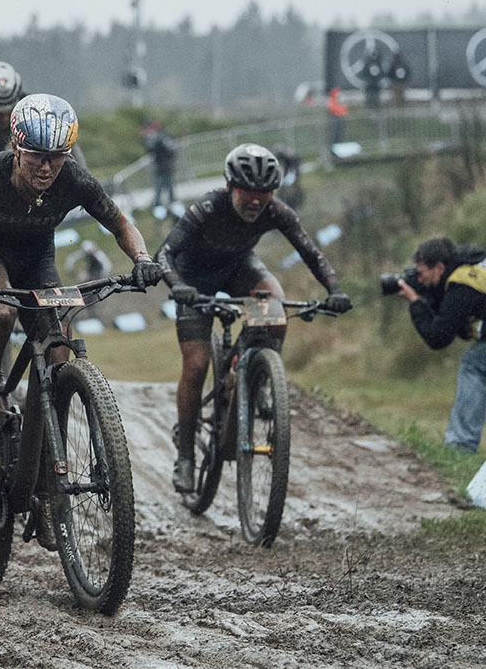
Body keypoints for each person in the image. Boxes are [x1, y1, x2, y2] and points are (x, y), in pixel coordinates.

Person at [0, 94, 163, 489]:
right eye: (37, 155)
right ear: (16, 147)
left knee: (58, 343)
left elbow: (121, 224)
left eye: (57, 157)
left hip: (37, 257)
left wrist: (142, 258)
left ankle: (46, 454)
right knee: (1, 314)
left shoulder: (74, 179)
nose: (47, 167)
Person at [157, 143, 352, 493]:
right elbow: (164, 253)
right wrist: (178, 287)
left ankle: (258, 372)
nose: (256, 201)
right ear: (231, 186)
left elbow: (311, 252)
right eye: (248, 192)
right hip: (194, 277)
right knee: (197, 364)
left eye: (265, 193)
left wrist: (334, 290)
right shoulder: (207, 207)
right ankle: (185, 455)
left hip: (238, 267)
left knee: (275, 306)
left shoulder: (276, 210)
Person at [395, 237, 486, 453]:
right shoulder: (470, 265)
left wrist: (415, 302)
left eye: (421, 272)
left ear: (439, 267)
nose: (420, 278)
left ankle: (460, 445)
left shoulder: (463, 281)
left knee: (473, 365)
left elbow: (438, 337)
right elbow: (455, 322)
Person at [141, 120, 177, 216]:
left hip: (165, 166)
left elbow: (170, 151)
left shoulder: (161, 137)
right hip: (160, 167)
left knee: (168, 186)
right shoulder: (156, 138)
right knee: (160, 187)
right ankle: (159, 205)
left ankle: (170, 204)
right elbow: (150, 149)